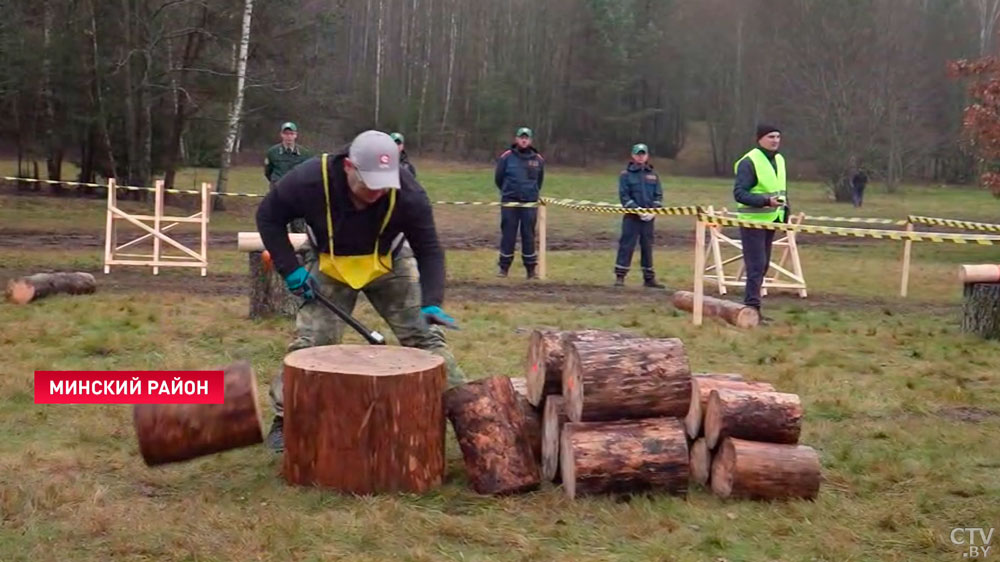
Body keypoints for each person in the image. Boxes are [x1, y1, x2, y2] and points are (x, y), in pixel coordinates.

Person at [255, 130, 467, 451]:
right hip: (331, 263)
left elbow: (430, 250)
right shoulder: (310, 180)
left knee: (426, 338)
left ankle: (471, 416)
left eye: (384, 184)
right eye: (369, 183)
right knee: (313, 342)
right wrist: (292, 269)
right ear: (349, 167)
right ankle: (286, 420)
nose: (377, 191)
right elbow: (268, 216)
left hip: (389, 262)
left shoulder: (409, 193)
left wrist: (432, 301)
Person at [733, 124, 789, 322]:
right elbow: (739, 194)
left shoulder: (779, 160)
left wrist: (785, 213)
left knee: (763, 266)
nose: (775, 140)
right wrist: (765, 201)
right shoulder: (749, 162)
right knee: (756, 265)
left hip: (772, 220)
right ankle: (752, 308)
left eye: (777, 136)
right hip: (752, 221)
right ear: (759, 139)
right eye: (770, 136)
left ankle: (755, 308)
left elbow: (780, 190)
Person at [494, 127, 544, 279]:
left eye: (526, 138)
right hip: (510, 202)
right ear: (516, 139)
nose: (524, 140)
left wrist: (531, 194)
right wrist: (508, 192)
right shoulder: (507, 157)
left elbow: (539, 181)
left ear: (530, 140)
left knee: (528, 235)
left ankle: (530, 269)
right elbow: (499, 178)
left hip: (529, 203)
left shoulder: (538, 159)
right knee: (508, 234)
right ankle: (504, 268)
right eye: (521, 137)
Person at [614, 143, 665, 289]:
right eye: (638, 154)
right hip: (631, 217)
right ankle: (620, 276)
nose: (640, 156)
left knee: (647, 246)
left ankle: (649, 278)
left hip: (649, 218)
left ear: (647, 156)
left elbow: (658, 195)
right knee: (626, 245)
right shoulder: (625, 175)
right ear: (633, 155)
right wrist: (636, 210)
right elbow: (624, 196)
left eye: (643, 154)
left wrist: (654, 210)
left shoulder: (653, 175)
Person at [264, 121, 313, 233]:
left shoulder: (305, 154)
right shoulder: (273, 152)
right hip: (278, 191)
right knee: (278, 222)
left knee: (298, 225)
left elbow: (307, 172)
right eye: (286, 134)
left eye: (291, 134)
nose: (289, 137)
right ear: (281, 135)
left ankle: (300, 250)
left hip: (297, 193)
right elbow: (268, 171)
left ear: (296, 135)